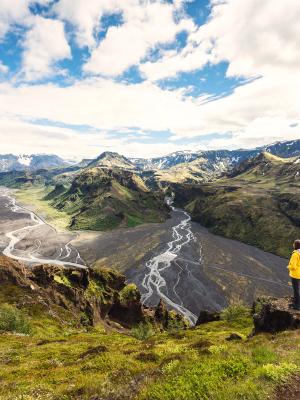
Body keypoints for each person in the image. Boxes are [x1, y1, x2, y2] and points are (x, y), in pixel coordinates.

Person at [288, 239, 300, 310]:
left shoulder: (295, 254)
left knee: (296, 290)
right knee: (298, 289)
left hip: (295, 275)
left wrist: (288, 266)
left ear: (295, 245)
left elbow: (293, 266)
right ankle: (297, 303)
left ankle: (297, 305)